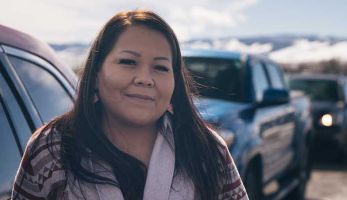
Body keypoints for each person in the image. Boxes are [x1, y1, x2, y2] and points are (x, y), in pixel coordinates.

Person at [11, 10, 248, 200]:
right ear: (96, 74)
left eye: (161, 67)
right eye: (128, 62)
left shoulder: (207, 150)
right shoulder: (52, 148)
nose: (145, 78)